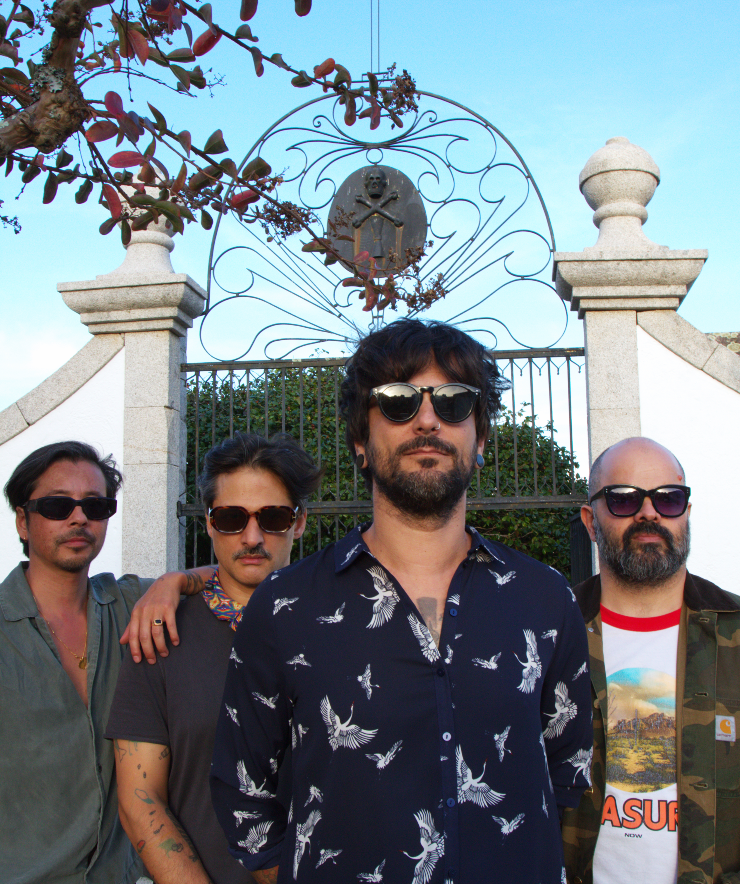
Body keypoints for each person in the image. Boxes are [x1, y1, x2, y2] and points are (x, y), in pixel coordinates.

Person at [211, 320, 593, 884]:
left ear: (481, 439)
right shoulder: (284, 607)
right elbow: (244, 792)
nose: (428, 419)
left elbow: (567, 768)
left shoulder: (545, 599)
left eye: (454, 402)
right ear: (360, 442)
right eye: (397, 402)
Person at [106, 432, 321, 884]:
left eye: (273, 517)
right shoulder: (159, 632)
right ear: (208, 522)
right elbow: (140, 800)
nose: (252, 537)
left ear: (299, 522)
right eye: (231, 518)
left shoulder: (338, 625)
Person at [0, 440, 214, 884]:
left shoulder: (131, 603)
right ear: (23, 520)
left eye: (96, 506)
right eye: (58, 505)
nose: (79, 518)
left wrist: (176, 581)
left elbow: (232, 577)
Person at [562, 437, 740, 884]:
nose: (649, 513)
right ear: (590, 520)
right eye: (623, 499)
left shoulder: (735, 636)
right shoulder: (549, 635)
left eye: (668, 498)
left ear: (686, 513)